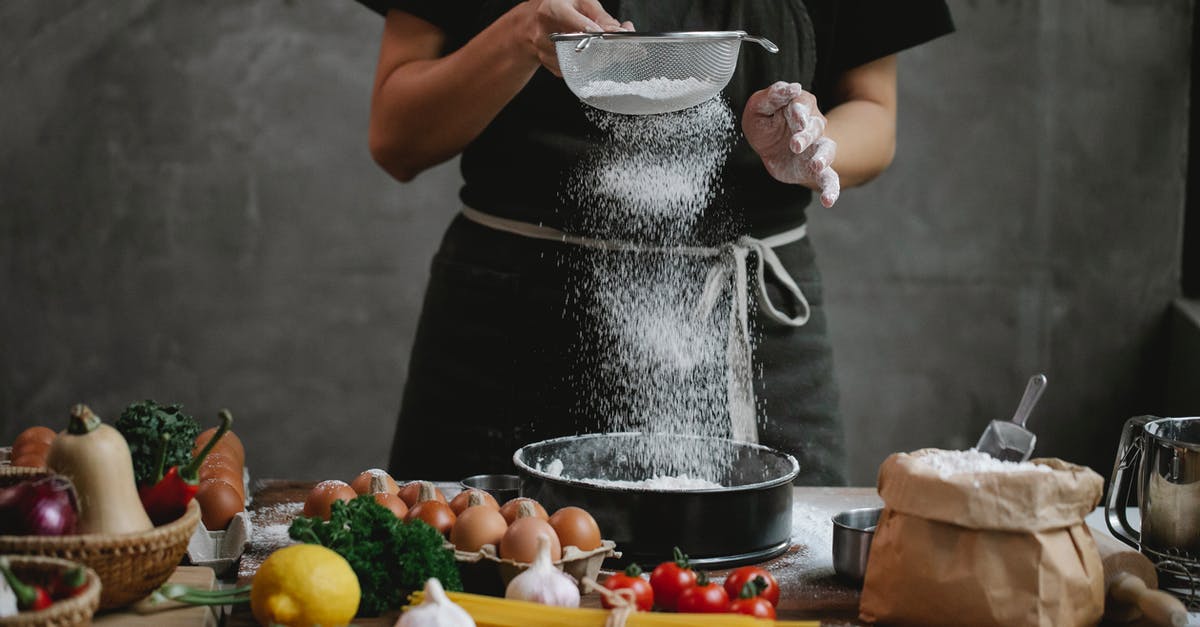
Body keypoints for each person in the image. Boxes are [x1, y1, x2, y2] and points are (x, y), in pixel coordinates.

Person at [354, 0, 954, 484]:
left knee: (772, 586)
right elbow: (397, 136)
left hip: (751, 324)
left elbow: (874, 111)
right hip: (510, 323)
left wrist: (806, 146)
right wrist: (519, 36)